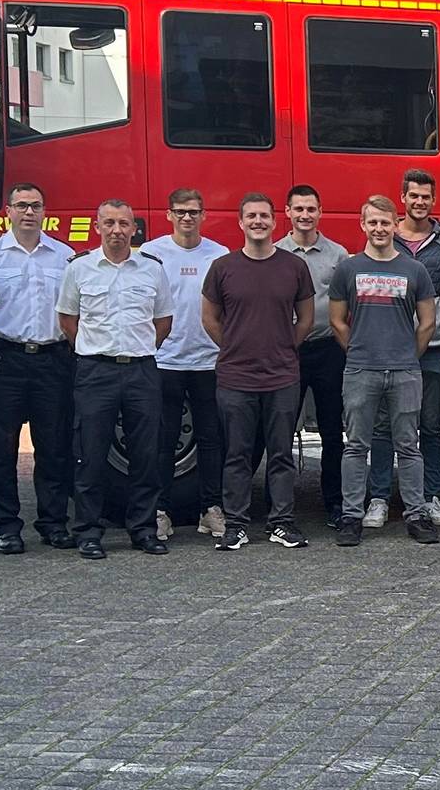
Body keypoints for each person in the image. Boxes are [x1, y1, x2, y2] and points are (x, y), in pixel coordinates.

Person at [200, 192, 315, 551]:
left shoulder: (293, 267)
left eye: (264, 216)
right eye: (251, 216)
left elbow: (307, 318)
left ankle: (281, 522)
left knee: (281, 453)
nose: (258, 222)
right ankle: (236, 524)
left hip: (282, 376)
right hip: (236, 377)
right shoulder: (223, 267)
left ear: (274, 220)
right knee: (237, 452)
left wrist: (282, 347)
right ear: (241, 222)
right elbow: (209, 318)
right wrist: (236, 347)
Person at [57, 200, 172, 559]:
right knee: (90, 453)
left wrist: (137, 349)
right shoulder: (80, 269)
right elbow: (67, 320)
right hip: (96, 371)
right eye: (109, 223)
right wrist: (95, 351)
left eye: (124, 224)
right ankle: (89, 531)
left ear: (134, 229)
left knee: (145, 454)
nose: (117, 230)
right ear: (97, 227)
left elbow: (163, 321)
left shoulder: (152, 270)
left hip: (141, 369)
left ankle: (143, 529)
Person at [330, 197, 439, 547]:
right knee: (356, 446)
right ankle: (351, 516)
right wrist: (361, 351)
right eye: (372, 223)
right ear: (363, 225)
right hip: (361, 370)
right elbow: (336, 320)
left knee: (409, 446)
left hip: (405, 371)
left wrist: (407, 354)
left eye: (385, 223)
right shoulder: (348, 269)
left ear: (396, 225)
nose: (379, 229)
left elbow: (428, 322)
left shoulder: (414, 270)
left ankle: (416, 514)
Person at [0, 181, 74, 555]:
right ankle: (6, 525)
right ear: (8, 211)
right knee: (0, 449)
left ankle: (53, 523)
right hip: (4, 358)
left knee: (55, 446)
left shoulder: (64, 257)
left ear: (45, 211)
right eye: (21, 206)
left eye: (35, 205)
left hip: (52, 358)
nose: (29, 212)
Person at [142, 187, 227, 542]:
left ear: (203, 215)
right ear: (168, 215)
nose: (187, 218)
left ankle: (211, 510)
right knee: (163, 441)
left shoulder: (220, 255)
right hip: (165, 360)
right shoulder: (151, 253)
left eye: (193, 211)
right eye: (180, 212)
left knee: (211, 440)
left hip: (209, 360)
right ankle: (160, 512)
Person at [389, 170, 440, 528]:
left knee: (430, 426)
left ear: (433, 201)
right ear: (402, 198)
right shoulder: (387, 237)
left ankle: (432, 496)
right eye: (414, 196)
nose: (419, 202)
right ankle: (378, 497)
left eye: (426, 196)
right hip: (388, 349)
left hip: (433, 347)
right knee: (383, 427)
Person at [282, 186, 350, 521]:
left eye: (311, 209)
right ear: (288, 212)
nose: (305, 215)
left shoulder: (338, 255)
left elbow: (346, 302)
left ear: (320, 212)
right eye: (299, 209)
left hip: (327, 350)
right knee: (278, 430)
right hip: (287, 352)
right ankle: (278, 505)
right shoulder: (276, 251)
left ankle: (334, 502)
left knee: (331, 430)